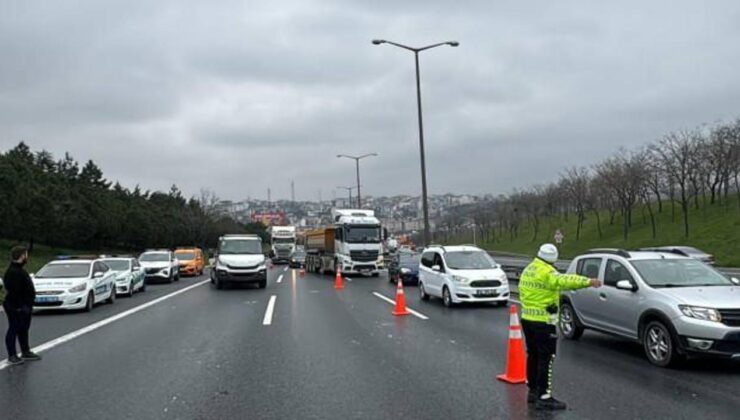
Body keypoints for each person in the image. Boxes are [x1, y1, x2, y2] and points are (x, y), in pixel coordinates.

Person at [519, 243, 601, 411]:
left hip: (527, 318)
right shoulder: (547, 272)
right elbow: (564, 280)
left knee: (533, 355)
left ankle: (533, 392)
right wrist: (588, 281)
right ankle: (544, 396)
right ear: (553, 259)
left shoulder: (529, 269)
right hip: (543, 322)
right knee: (546, 358)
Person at [3, 246, 41, 365]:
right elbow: (14, 291)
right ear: (22, 256)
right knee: (13, 329)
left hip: (24, 305)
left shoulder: (19, 270)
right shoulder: (13, 272)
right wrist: (20, 306)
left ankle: (25, 351)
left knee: (23, 329)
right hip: (16, 306)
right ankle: (12, 355)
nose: (27, 257)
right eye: (26, 254)